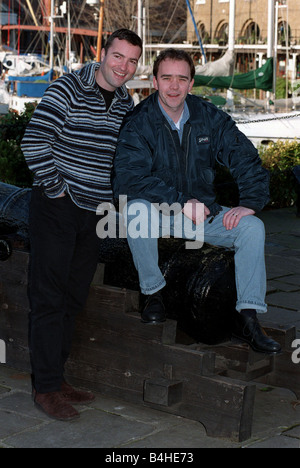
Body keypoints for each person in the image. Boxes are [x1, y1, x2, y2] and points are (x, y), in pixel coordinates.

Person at [113, 48, 281, 355]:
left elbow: (244, 156)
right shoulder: (139, 122)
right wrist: (180, 202)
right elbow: (128, 179)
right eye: (167, 78)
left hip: (202, 214)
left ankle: (248, 316)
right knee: (136, 210)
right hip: (159, 213)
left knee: (252, 228)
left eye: (181, 79)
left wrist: (251, 202)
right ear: (154, 82)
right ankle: (153, 294)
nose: (174, 86)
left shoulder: (209, 117)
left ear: (191, 83)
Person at [21, 29, 143, 421]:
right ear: (102, 53)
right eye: (118, 56)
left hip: (95, 213)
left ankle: (57, 379)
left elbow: (125, 158)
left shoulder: (126, 101)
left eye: (132, 61)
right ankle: (45, 388)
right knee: (49, 298)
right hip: (57, 207)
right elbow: (34, 140)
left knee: (74, 299)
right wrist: (56, 188)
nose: (124, 66)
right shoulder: (68, 88)